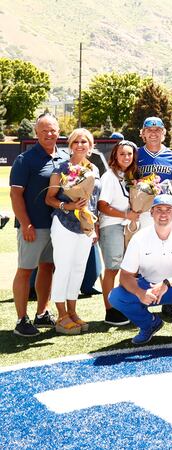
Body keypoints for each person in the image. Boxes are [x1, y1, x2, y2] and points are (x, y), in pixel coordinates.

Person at [109, 194, 172, 346]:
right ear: (151, 213)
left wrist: (167, 283)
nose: (163, 214)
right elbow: (125, 276)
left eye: (168, 209)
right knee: (116, 296)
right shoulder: (139, 238)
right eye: (159, 209)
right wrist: (140, 293)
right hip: (148, 288)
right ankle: (149, 325)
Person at [10, 113, 67, 336]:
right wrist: (26, 224)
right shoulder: (25, 159)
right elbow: (16, 195)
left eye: (52, 130)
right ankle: (21, 320)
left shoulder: (64, 157)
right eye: (44, 130)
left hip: (57, 226)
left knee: (47, 268)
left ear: (59, 131)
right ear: (36, 133)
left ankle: (42, 313)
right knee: (25, 270)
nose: (49, 134)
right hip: (34, 226)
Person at [42, 128, 100, 334]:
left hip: (85, 226)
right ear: (70, 145)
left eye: (84, 142)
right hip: (64, 224)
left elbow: (94, 202)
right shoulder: (61, 168)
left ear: (90, 146)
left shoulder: (94, 168)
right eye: (76, 142)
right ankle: (61, 315)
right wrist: (69, 207)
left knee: (78, 269)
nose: (80, 145)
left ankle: (73, 312)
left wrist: (94, 227)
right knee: (64, 268)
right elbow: (49, 198)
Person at [97, 140, 138, 326]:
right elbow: (102, 205)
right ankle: (110, 311)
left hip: (126, 226)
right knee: (112, 269)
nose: (126, 157)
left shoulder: (127, 176)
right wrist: (125, 214)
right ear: (115, 156)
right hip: (111, 225)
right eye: (122, 154)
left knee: (126, 268)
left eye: (129, 154)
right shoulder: (109, 177)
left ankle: (122, 306)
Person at [135, 116, 172, 231]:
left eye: (157, 129)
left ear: (163, 133)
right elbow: (129, 183)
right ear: (143, 133)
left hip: (167, 210)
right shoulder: (135, 155)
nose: (153, 133)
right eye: (149, 130)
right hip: (143, 211)